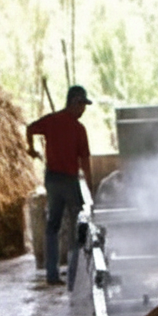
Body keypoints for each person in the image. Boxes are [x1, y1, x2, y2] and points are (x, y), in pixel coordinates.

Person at [27, 84, 93, 290]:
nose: (83, 109)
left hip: (52, 180)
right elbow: (85, 162)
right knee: (76, 227)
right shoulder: (78, 129)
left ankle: (52, 274)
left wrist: (31, 149)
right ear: (74, 102)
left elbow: (30, 128)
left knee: (52, 227)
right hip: (69, 181)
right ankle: (74, 276)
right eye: (82, 105)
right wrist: (90, 188)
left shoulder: (52, 121)